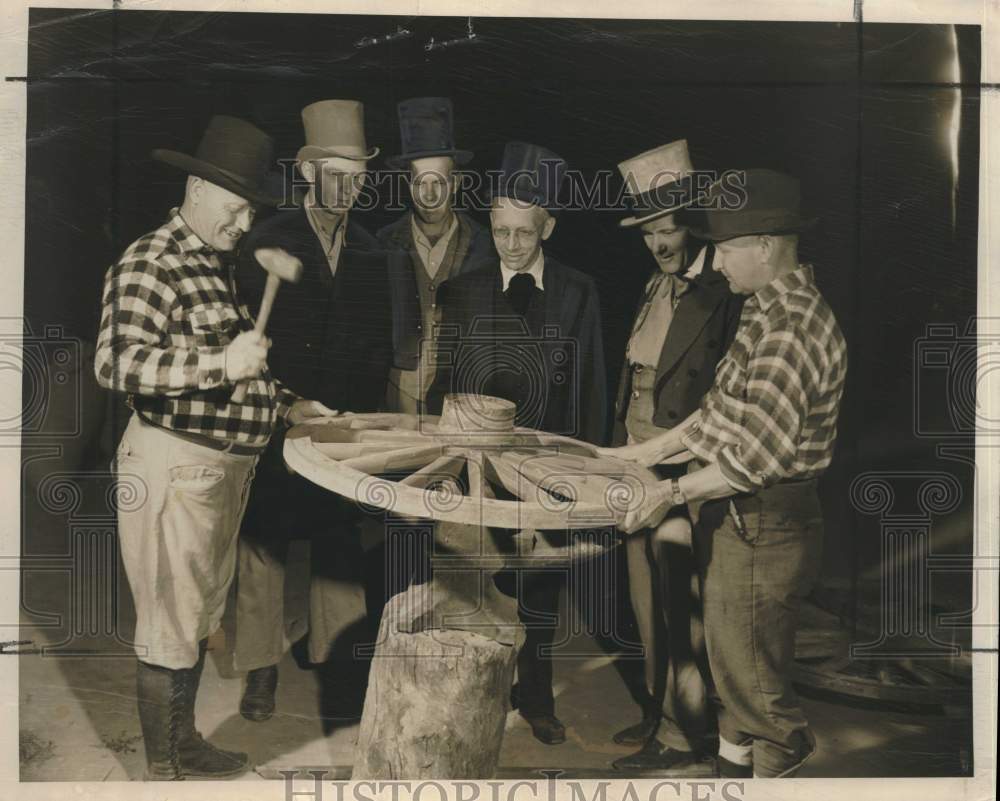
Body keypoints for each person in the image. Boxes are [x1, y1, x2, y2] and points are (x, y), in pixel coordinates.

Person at [95, 115, 333, 780]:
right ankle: (163, 771)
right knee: (167, 626)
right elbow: (117, 363)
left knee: (197, 616)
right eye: (236, 206)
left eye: (251, 207)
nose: (244, 221)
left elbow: (242, 367)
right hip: (172, 467)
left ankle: (186, 741)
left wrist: (291, 405)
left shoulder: (212, 265)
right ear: (197, 189)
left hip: (221, 474)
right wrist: (218, 366)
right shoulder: (152, 261)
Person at [606, 169, 847, 779]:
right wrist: (635, 456)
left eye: (728, 249)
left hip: (765, 520)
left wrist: (668, 491)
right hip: (742, 520)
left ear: (765, 245)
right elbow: (713, 418)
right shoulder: (763, 311)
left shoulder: (791, 328)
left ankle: (777, 766)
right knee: (733, 676)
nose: (715, 263)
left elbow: (750, 461)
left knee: (758, 691)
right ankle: (732, 776)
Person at [428, 142, 607, 744]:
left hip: (549, 469)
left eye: (523, 233)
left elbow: (590, 388)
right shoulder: (460, 291)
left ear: (547, 226)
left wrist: (585, 476)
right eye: (500, 230)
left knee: (540, 590)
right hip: (480, 469)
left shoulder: (579, 291)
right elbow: (445, 389)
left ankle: (535, 697)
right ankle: (479, 693)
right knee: (482, 584)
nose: (509, 243)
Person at [231, 100, 393, 723]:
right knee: (263, 546)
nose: (349, 188)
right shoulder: (266, 240)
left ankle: (333, 659)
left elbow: (377, 343)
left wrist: (359, 421)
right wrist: (287, 402)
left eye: (358, 177)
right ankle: (259, 669)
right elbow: (245, 334)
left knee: (338, 542)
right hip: (277, 419)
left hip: (341, 428)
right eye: (337, 174)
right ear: (307, 173)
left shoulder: (373, 250)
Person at [609, 141, 743, 774]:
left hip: (684, 466)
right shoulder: (654, 283)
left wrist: (679, 468)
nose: (660, 244)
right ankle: (658, 705)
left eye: (670, 229)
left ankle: (681, 731)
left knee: (680, 597)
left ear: (693, 223)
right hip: (638, 458)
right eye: (649, 233)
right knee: (645, 594)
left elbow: (721, 400)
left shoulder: (726, 290)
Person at [377, 97, 494, 414]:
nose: (429, 196)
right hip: (395, 390)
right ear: (408, 184)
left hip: (459, 393)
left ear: (455, 183)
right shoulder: (382, 243)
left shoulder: (486, 245)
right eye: (420, 182)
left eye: (439, 182)